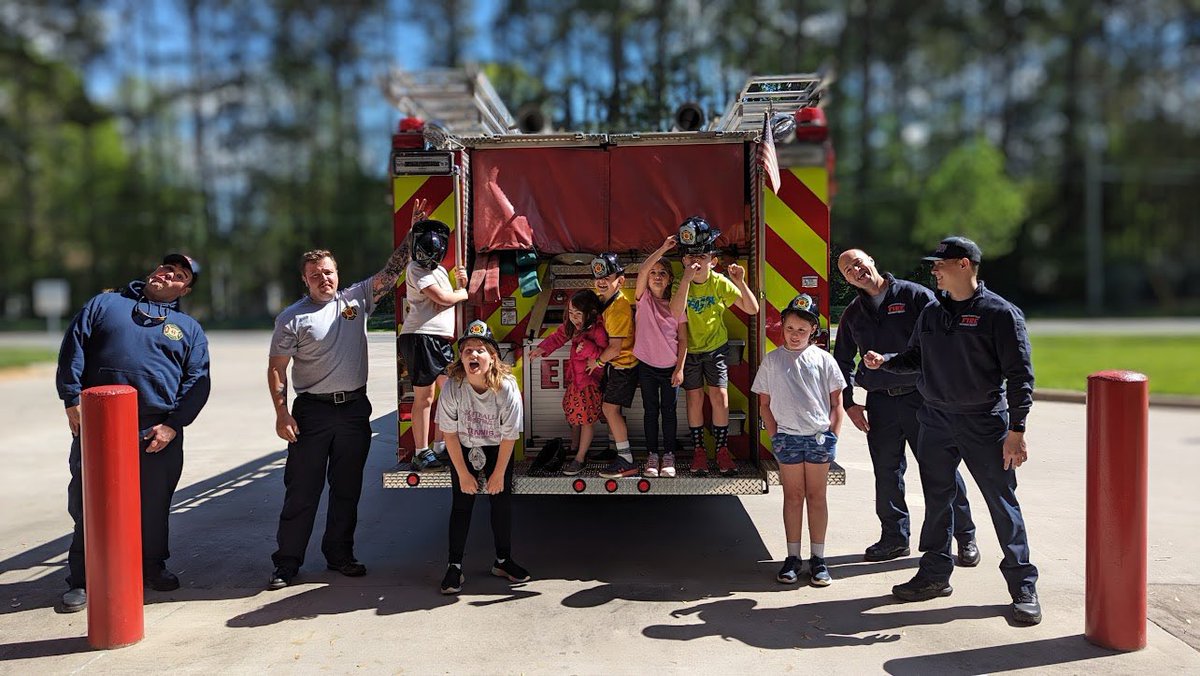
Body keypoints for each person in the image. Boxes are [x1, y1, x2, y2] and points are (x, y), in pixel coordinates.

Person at [862, 236, 1041, 625]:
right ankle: (934, 575)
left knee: (1001, 504)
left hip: (984, 423)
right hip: (935, 420)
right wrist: (886, 361)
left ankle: (1023, 586)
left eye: (939, 264)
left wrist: (1017, 429)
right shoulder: (932, 313)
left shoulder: (1001, 314)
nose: (933, 271)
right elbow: (915, 358)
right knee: (938, 502)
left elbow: (1020, 377)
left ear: (964, 265)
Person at [266, 233, 423, 590]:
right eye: (316, 274)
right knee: (302, 491)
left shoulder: (355, 299)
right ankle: (287, 562)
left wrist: (413, 237)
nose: (325, 279)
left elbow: (392, 271)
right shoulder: (292, 318)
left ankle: (340, 555)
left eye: (329, 272)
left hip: (353, 410)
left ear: (338, 273)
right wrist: (282, 413)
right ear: (305, 280)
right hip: (312, 414)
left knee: (347, 489)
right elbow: (277, 369)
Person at [56, 253, 210, 612]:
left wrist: (173, 426)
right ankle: (82, 578)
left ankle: (151, 567)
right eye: (166, 268)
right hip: (99, 422)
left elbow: (197, 382)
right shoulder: (106, 304)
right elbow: (73, 347)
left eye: (179, 275)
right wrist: (70, 399)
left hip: (157, 428)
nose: (168, 274)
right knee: (89, 503)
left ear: (184, 289)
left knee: (153, 505)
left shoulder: (188, 329)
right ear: (154, 271)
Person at [833, 248, 979, 566]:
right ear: (846, 280)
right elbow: (841, 360)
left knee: (941, 469)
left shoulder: (913, 296)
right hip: (880, 404)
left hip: (922, 398)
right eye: (847, 270)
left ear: (872, 260)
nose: (855, 270)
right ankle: (894, 538)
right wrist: (849, 402)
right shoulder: (854, 314)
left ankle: (965, 537)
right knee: (887, 472)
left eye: (858, 263)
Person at [752, 294, 845, 587]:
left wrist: (832, 437)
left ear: (813, 332)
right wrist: (774, 435)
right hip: (788, 439)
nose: (795, 335)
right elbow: (764, 404)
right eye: (790, 328)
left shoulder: (824, 360)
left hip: (818, 440)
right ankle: (793, 557)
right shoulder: (772, 361)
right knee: (793, 497)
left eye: (802, 331)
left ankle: (818, 558)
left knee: (817, 497)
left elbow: (837, 404)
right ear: (782, 326)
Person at [437, 320, 528, 594]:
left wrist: (498, 473)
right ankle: (454, 567)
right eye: (467, 351)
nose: (473, 355)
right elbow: (450, 434)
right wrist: (464, 474)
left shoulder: (506, 388)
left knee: (501, 505)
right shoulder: (453, 388)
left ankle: (503, 561)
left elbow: (510, 435)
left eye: (480, 350)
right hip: (464, 447)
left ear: (492, 357)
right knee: (461, 506)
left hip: (496, 448)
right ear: (461, 358)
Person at [669, 216, 760, 475]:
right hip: (691, 352)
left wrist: (740, 281)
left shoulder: (719, 282)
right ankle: (699, 452)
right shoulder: (679, 283)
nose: (694, 262)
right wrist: (685, 280)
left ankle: (721, 452)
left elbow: (752, 309)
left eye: (701, 257)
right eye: (688, 257)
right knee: (694, 399)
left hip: (716, 350)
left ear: (714, 260)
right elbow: (676, 313)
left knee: (720, 397)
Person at [398, 198, 469, 471]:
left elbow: (445, 296)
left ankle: (441, 446)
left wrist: (460, 279)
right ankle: (421, 451)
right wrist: (463, 292)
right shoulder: (415, 269)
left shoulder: (437, 269)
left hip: (436, 339)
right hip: (421, 336)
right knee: (425, 397)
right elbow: (441, 298)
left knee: (450, 391)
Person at [526, 289, 608, 476]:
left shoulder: (598, 330)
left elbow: (604, 354)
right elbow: (558, 336)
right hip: (576, 381)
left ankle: (580, 457)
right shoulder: (574, 327)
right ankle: (574, 446)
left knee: (586, 420)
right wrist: (541, 349)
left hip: (589, 383)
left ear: (592, 313)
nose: (573, 318)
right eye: (571, 313)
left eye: (578, 314)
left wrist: (588, 349)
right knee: (574, 415)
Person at [633, 236, 688, 478]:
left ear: (670, 279)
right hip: (646, 367)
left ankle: (669, 456)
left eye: (662, 273)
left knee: (669, 412)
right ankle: (652, 456)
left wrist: (679, 368)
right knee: (650, 411)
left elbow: (684, 340)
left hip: (669, 369)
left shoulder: (676, 306)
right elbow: (643, 268)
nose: (656, 276)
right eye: (654, 273)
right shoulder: (642, 299)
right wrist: (664, 249)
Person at [588, 252, 641, 479]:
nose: (601, 281)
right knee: (612, 410)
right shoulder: (607, 302)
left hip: (623, 366)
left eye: (608, 276)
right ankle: (615, 450)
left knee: (610, 409)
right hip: (617, 367)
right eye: (598, 276)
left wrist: (597, 362)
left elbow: (616, 348)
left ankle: (626, 460)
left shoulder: (618, 307)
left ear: (621, 280)